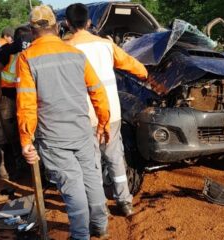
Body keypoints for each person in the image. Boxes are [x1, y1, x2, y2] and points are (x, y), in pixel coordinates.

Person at [16, 5, 110, 239]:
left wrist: (26, 139)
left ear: (31, 30)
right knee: (91, 178)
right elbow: (98, 91)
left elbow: (26, 103)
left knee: (72, 186)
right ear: (56, 26)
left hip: (54, 137)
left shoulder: (27, 58)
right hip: (82, 131)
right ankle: (99, 225)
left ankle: (80, 235)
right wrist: (103, 122)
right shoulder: (76, 54)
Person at [65, 3, 148, 217]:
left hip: (83, 115)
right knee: (114, 156)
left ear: (67, 24)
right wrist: (147, 75)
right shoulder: (105, 45)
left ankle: (99, 206)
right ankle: (124, 202)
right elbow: (134, 66)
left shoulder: (65, 48)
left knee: (90, 162)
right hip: (111, 112)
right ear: (89, 23)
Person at [0, 25, 33, 180]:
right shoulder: (6, 50)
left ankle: (20, 165)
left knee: (18, 130)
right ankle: (5, 168)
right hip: (4, 96)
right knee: (6, 133)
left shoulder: (28, 49)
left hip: (20, 95)